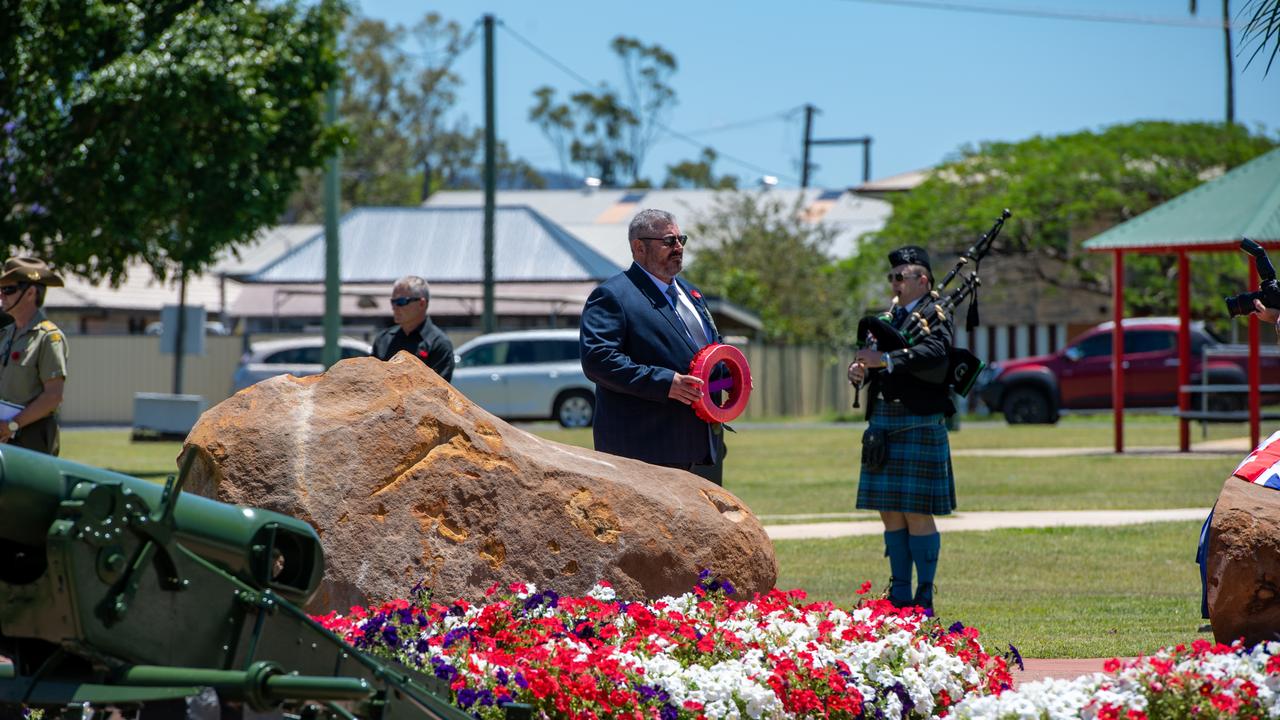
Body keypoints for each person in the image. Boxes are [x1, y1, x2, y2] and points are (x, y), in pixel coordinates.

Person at [580, 208, 727, 484]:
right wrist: (665, 382)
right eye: (668, 242)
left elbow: (707, 354)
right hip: (644, 450)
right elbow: (598, 360)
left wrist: (731, 377)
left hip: (702, 447)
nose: (679, 247)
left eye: (681, 239)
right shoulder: (613, 296)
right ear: (639, 247)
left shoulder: (691, 294)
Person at [847, 245, 956, 610]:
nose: (894, 283)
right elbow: (873, 359)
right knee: (889, 509)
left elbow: (938, 352)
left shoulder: (935, 314)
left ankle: (924, 594)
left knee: (915, 510)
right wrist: (860, 370)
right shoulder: (889, 317)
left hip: (919, 420)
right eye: (891, 277)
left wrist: (887, 359)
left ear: (922, 279)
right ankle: (899, 593)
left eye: (900, 277)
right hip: (884, 420)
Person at [0, 257, 69, 456]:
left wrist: (12, 425)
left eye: (8, 290)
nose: (1, 295)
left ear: (30, 293)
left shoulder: (48, 338)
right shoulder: (4, 335)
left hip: (31, 438)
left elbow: (53, 396)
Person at [372, 275, 454, 382]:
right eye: (393, 301)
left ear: (422, 304)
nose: (394, 307)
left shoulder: (439, 344)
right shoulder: (383, 340)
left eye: (401, 302)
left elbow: (438, 392)